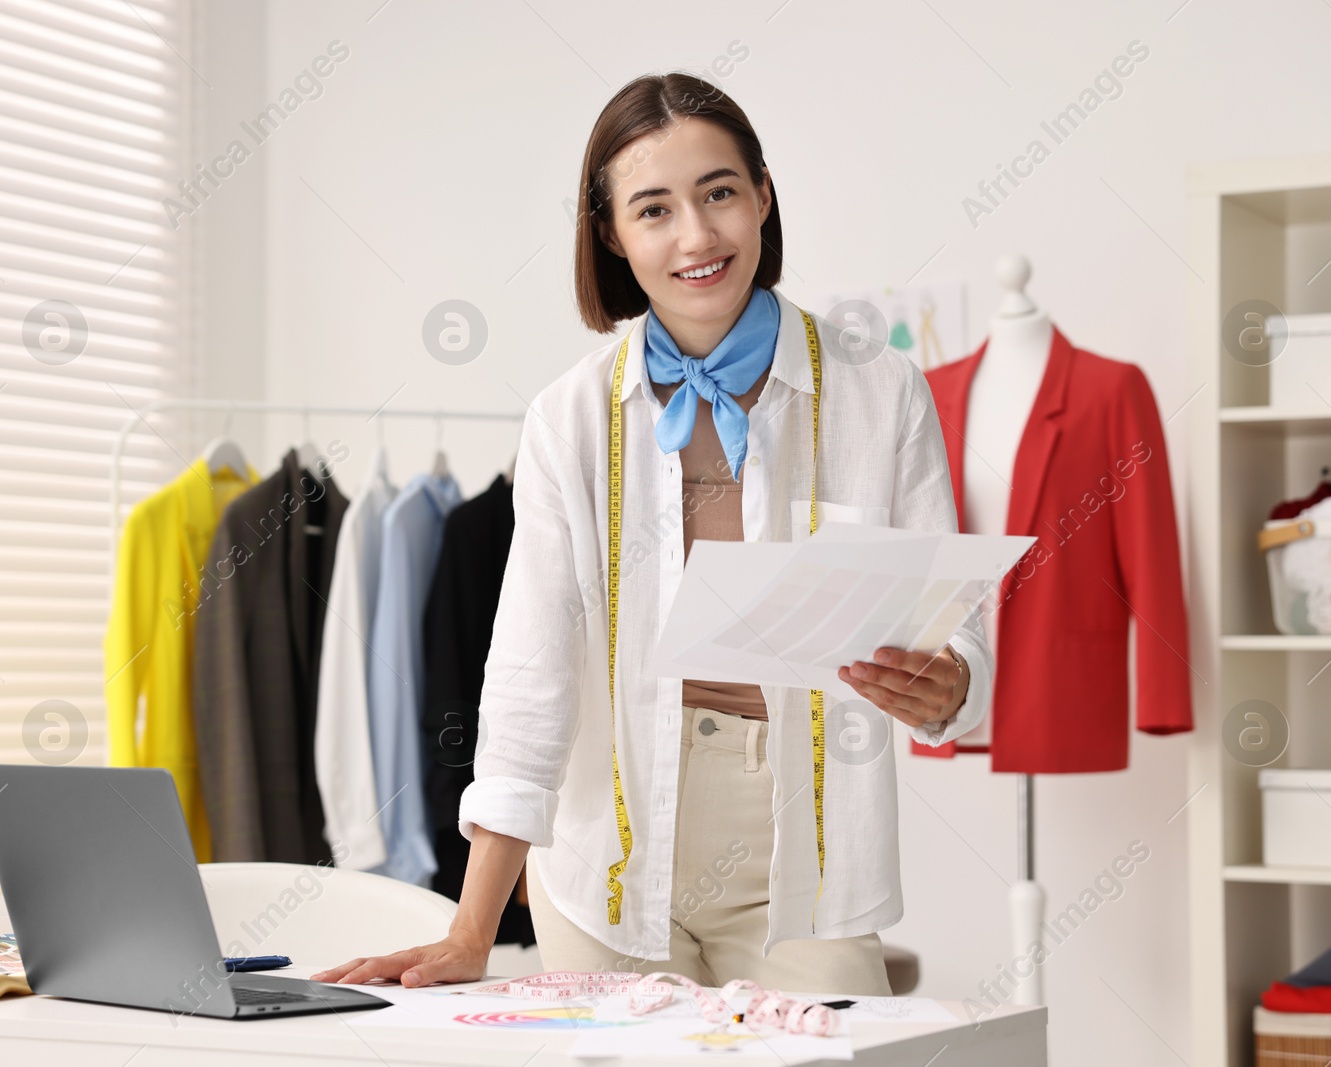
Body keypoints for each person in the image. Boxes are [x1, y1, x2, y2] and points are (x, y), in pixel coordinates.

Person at [313, 71, 991, 995]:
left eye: (718, 193)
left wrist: (950, 683)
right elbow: (530, 675)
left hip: (809, 838)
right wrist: (471, 930)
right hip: (613, 848)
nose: (697, 236)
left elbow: (955, 623)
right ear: (612, 234)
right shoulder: (570, 417)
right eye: (654, 209)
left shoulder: (882, 391)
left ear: (763, 195)